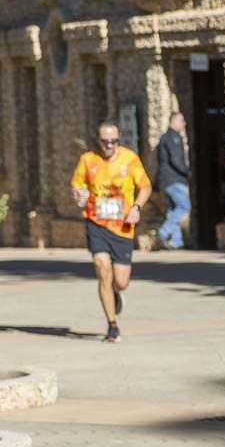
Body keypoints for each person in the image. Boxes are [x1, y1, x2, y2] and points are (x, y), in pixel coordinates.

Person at [71, 121, 153, 343]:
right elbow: (77, 187)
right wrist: (79, 195)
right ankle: (112, 325)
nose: (109, 146)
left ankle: (116, 293)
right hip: (96, 223)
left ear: (119, 139)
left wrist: (137, 208)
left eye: (114, 141)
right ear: (98, 140)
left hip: (123, 228)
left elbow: (145, 186)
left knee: (121, 281)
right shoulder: (87, 160)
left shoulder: (129, 158)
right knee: (102, 269)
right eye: (105, 141)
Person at [155, 112, 191, 250]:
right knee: (184, 207)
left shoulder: (164, 138)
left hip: (165, 180)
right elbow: (176, 160)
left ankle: (176, 242)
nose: (184, 124)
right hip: (174, 179)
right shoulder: (174, 138)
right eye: (182, 121)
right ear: (174, 121)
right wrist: (187, 172)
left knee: (173, 210)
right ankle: (163, 232)